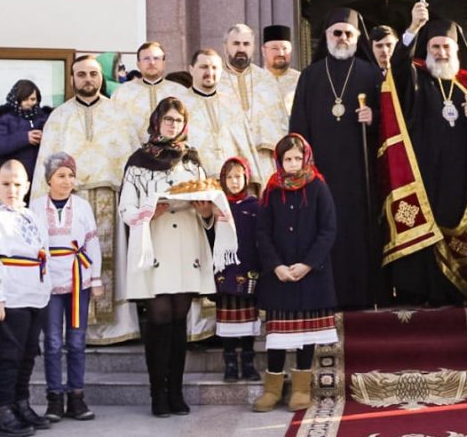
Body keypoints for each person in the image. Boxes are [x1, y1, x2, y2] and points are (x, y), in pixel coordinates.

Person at [119, 97, 233, 417]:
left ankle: (176, 392)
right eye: (168, 119)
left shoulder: (192, 160)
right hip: (154, 244)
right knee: (158, 318)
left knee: (179, 320)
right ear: (157, 122)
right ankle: (158, 393)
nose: (173, 125)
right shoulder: (139, 161)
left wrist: (206, 211)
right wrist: (147, 213)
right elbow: (125, 207)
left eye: (178, 120)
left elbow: (206, 201)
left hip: (186, 244)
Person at [382, 3, 467, 305]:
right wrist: (413, 29)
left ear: (456, 50)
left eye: (446, 47)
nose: (441, 53)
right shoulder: (417, 78)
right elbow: (397, 70)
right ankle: (424, 292)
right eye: (435, 47)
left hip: (459, 174)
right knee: (426, 227)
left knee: (456, 222)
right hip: (424, 171)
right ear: (426, 50)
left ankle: (457, 291)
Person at [31, 55, 138, 345]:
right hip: (70, 201)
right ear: (72, 79)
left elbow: (131, 163)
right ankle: (75, 327)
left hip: (109, 199)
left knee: (112, 263)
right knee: (67, 262)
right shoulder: (59, 117)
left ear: (101, 77)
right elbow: (45, 163)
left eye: (93, 73)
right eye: (81, 74)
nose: (88, 79)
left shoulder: (119, 115)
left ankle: (116, 329)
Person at [288, 8, 381, 309]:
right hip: (321, 173)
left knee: (358, 232)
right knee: (323, 229)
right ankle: (324, 296)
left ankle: (363, 295)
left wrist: (374, 118)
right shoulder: (311, 76)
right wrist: (302, 168)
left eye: (348, 33)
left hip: (361, 173)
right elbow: (298, 126)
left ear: (357, 37)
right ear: (326, 36)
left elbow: (394, 125)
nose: (342, 38)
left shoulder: (371, 74)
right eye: (336, 33)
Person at [253, 134, 338, 414]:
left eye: (297, 158)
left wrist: (308, 264)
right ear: (279, 161)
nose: (292, 163)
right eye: (287, 159)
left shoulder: (318, 187)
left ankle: (301, 389)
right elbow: (263, 232)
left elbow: (328, 230)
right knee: (277, 337)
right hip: (279, 275)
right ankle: (272, 389)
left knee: (306, 336)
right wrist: (276, 266)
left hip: (310, 274)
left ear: (306, 158)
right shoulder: (272, 190)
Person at [0, 160, 52, 436]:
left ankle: (20, 402)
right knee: (9, 355)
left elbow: (44, 254)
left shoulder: (32, 216)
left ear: (28, 186)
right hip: (11, 296)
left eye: (18, 184)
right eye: (6, 184)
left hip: (35, 294)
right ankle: (1, 411)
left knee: (28, 353)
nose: (12, 190)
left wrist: (46, 288)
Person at [32, 152, 101, 422]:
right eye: (61, 175)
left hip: (77, 279)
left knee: (76, 340)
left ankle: (76, 397)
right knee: (52, 341)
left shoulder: (82, 207)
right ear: (49, 179)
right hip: (49, 281)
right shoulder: (36, 207)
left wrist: (95, 279)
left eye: (71, 175)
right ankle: (54, 399)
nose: (67, 180)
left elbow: (92, 243)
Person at [184, 48, 276, 187]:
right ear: (191, 70)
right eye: (204, 67)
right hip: (195, 183)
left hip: (232, 183)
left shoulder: (232, 104)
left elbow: (245, 146)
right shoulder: (180, 104)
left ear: (221, 71)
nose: (210, 72)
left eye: (214, 68)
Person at [214, 157, 262, 382]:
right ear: (223, 180)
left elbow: (262, 237)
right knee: (227, 320)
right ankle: (230, 364)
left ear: (246, 178)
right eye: (229, 177)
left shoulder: (254, 206)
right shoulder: (218, 206)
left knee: (248, 319)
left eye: (238, 177)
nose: (234, 182)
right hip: (225, 272)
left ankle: (248, 363)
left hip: (249, 268)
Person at [222, 24, 290, 176]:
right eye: (236, 43)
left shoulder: (267, 80)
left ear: (253, 48)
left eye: (246, 44)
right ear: (225, 47)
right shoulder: (216, 79)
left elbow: (281, 123)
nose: (241, 49)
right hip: (229, 158)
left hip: (263, 160)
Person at [111, 41, 192, 146]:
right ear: (138, 64)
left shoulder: (180, 91)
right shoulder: (122, 92)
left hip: (173, 152)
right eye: (146, 58)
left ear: (163, 63)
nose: (152, 63)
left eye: (156, 58)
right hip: (133, 152)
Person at [0, 80, 53, 196]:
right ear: (16, 99)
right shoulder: (3, 118)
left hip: (41, 179)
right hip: (13, 180)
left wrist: (45, 137)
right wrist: (25, 138)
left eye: (33, 99)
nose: (29, 103)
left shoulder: (46, 118)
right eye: (25, 99)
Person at [262, 25, 301, 113]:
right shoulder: (252, 80)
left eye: (285, 48)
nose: (280, 53)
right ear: (263, 51)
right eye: (274, 48)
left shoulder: (302, 80)